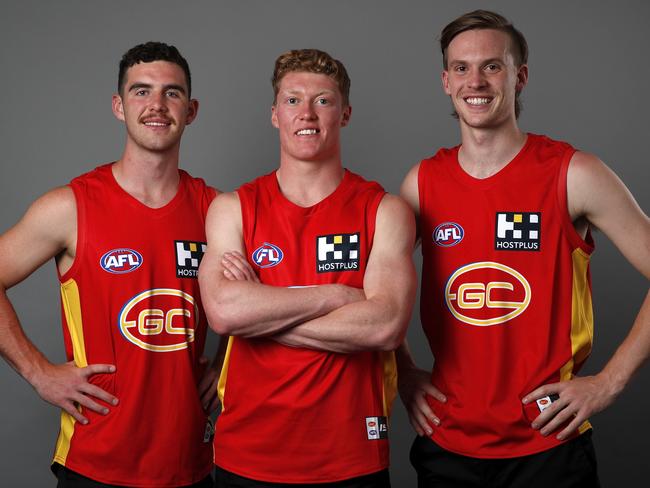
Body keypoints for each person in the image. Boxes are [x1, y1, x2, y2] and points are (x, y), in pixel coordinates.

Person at [397, 9, 650, 487]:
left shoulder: (574, 173)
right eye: (461, 68)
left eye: (492, 66)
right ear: (446, 82)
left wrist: (608, 383)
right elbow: (373, 293)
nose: (476, 80)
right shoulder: (421, 183)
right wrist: (405, 373)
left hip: (549, 442)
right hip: (447, 445)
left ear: (520, 77)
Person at [0, 42, 220, 487]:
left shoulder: (216, 210)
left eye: (171, 93)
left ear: (191, 110)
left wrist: (228, 362)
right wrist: (39, 373)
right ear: (119, 106)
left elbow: (265, 294)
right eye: (141, 92)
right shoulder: (70, 206)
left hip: (191, 463)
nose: (157, 105)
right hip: (94, 461)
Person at [199, 49, 416, 487]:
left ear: (346, 113)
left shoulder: (384, 210)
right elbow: (224, 314)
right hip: (248, 452)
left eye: (324, 100)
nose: (307, 113)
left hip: (351, 453)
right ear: (275, 114)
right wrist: (334, 296)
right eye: (293, 100)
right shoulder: (233, 208)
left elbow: (385, 326)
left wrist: (260, 314)